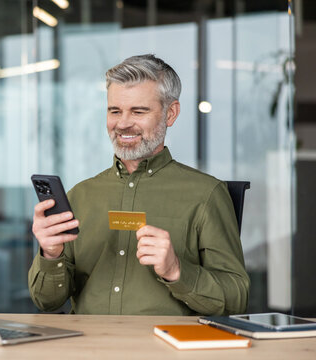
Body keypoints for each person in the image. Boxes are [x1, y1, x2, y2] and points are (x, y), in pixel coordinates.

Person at [28, 54, 250, 315]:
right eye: (115, 111)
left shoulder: (207, 195)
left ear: (171, 113)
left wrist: (177, 271)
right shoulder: (79, 196)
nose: (122, 124)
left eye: (138, 111)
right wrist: (51, 254)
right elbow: (46, 301)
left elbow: (237, 298)